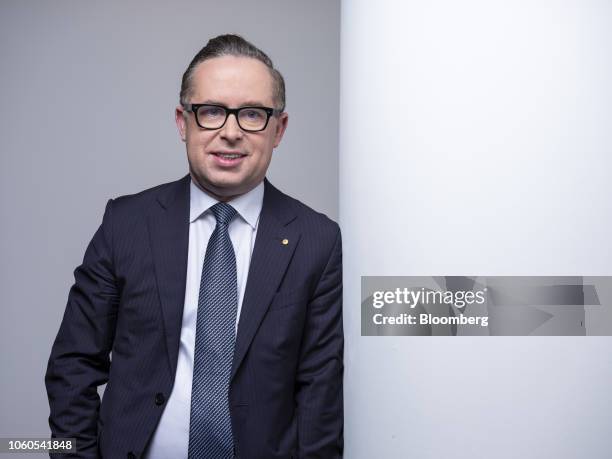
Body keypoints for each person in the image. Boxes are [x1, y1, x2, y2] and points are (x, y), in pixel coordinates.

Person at [45, 34, 343, 459]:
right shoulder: (127, 224)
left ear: (279, 129)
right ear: (183, 122)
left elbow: (321, 393)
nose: (231, 132)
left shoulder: (317, 241)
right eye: (212, 112)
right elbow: (72, 366)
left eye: (253, 114)